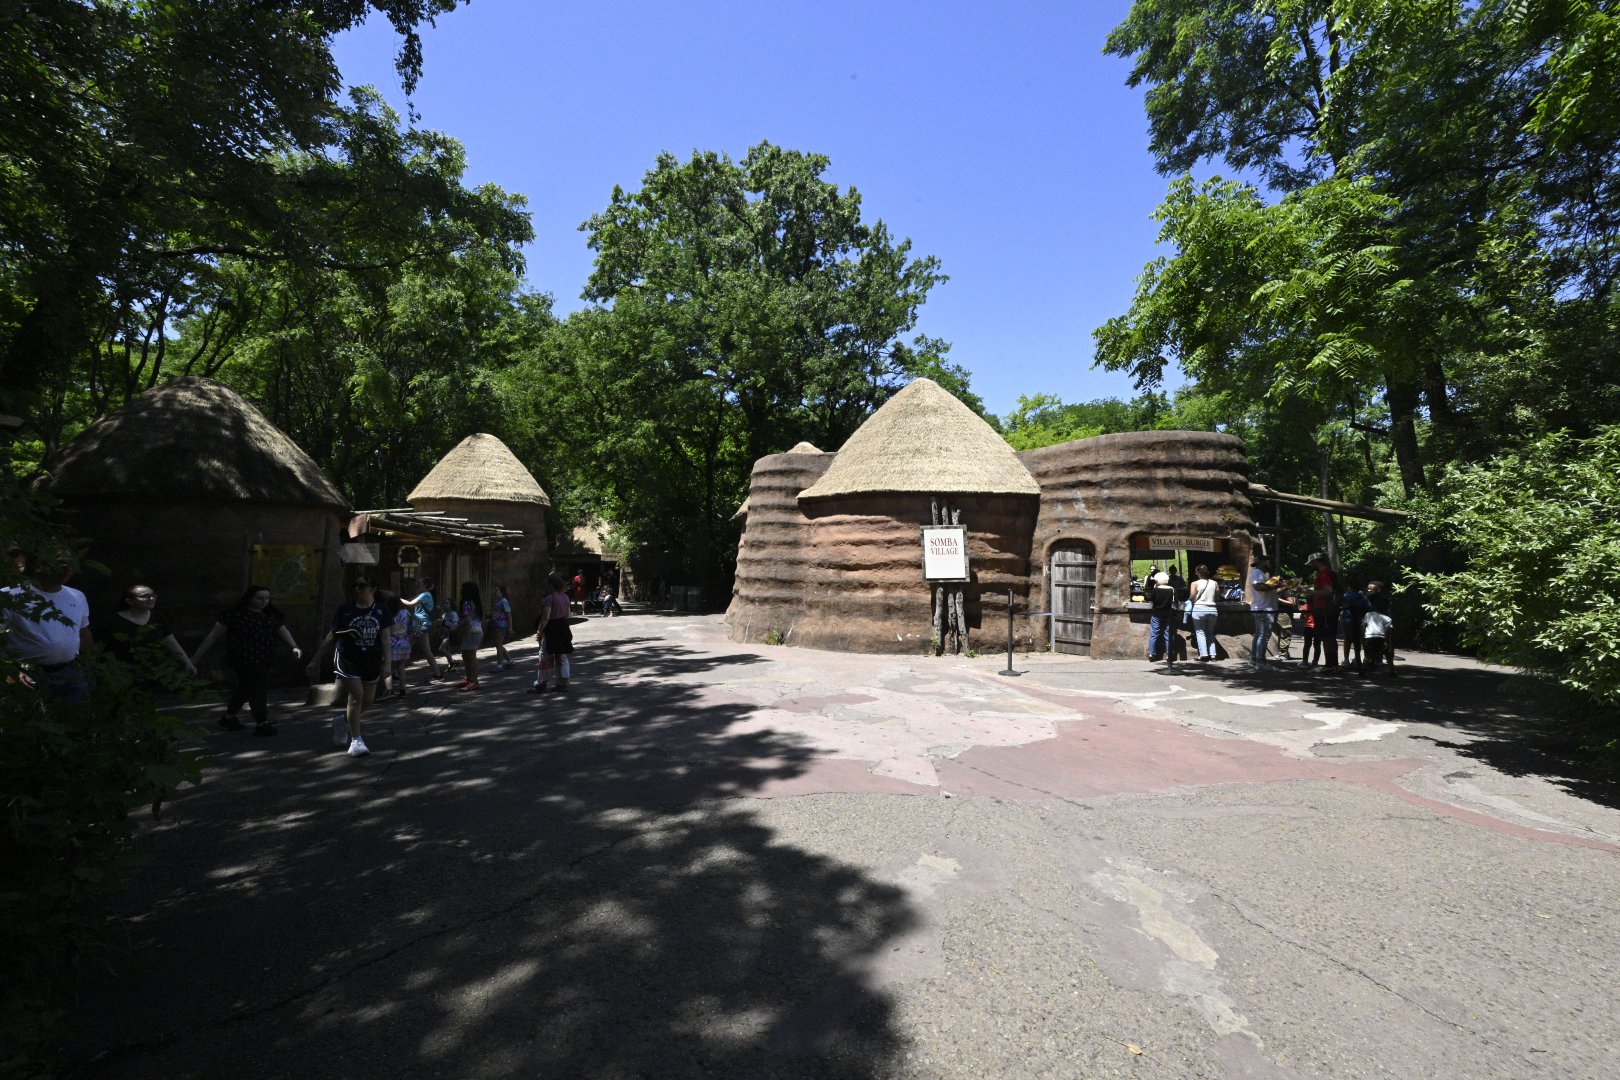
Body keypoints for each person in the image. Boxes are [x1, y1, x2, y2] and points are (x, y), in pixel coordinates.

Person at [193, 584, 302, 735]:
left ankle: (228, 717)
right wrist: (194, 659)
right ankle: (261, 722)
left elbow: (282, 630)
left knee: (246, 688)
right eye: (259, 598)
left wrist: (294, 646)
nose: (264, 602)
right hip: (243, 659)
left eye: (267, 598)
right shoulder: (235, 615)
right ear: (249, 598)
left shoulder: (271, 615)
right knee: (257, 688)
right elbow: (213, 636)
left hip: (264, 658)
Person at [308, 575, 389, 757]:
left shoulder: (381, 611)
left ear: (373, 588)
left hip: (372, 660)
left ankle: (342, 720)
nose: (357, 589)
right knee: (356, 696)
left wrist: (388, 663)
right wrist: (315, 659)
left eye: (362, 585)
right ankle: (356, 740)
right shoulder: (345, 610)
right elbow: (332, 636)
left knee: (368, 701)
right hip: (348, 659)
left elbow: (385, 637)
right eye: (355, 585)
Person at [1, 552, 93, 703]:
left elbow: (83, 632)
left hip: (70, 673)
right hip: (27, 675)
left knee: (76, 719)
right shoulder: (9, 596)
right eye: (61, 564)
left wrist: (90, 666)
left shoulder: (77, 596)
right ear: (38, 567)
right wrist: (10, 672)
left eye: (70, 564)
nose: (67, 569)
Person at [94, 583, 197, 690]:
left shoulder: (158, 618)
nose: (151, 598)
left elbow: (171, 641)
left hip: (156, 673)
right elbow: (98, 648)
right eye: (145, 596)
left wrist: (187, 663)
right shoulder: (112, 622)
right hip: (125, 675)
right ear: (129, 601)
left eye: (153, 595)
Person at [530, 574, 574, 693]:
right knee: (562, 656)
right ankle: (563, 682)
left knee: (544, 655)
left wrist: (539, 631)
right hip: (563, 627)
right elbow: (568, 615)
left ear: (551, 585)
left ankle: (541, 682)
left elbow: (545, 617)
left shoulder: (550, 598)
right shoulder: (565, 597)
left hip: (551, 628)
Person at [1304, 553, 1339, 669]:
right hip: (1327, 609)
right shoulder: (1325, 572)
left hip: (1325, 609)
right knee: (1329, 637)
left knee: (1327, 637)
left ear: (1316, 562)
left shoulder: (1324, 573)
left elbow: (1328, 591)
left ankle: (1330, 665)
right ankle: (1333, 664)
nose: (1311, 566)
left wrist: (1311, 592)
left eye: (1311, 564)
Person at [1247, 555, 1280, 669]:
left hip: (1263, 608)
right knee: (1263, 635)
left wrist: (1283, 586)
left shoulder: (1261, 574)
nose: (1270, 564)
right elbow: (1259, 587)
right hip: (1264, 609)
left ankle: (1254, 660)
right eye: (1269, 561)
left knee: (1259, 635)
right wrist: (1277, 584)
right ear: (1264, 562)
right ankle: (1260, 662)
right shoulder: (1257, 573)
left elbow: (1267, 590)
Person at [408, 579, 442, 682]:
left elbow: (410, 603)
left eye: (419, 583)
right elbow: (411, 601)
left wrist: (396, 599)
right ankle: (438, 674)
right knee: (425, 650)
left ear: (425, 585)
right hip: (420, 623)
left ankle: (396, 671)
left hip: (420, 624)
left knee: (405, 646)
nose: (417, 584)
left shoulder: (425, 595)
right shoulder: (422, 595)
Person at [1187, 564, 1222, 661]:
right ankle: (1213, 655)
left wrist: (1192, 600)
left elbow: (1193, 596)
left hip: (1199, 609)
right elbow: (1218, 596)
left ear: (1197, 573)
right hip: (1212, 610)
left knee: (1200, 632)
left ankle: (1203, 655)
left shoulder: (1194, 583)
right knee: (1210, 632)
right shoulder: (1214, 583)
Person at [454, 582, 485, 692]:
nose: (460, 590)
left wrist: (457, 629)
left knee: (471, 657)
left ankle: (474, 681)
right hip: (475, 631)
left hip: (472, 632)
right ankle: (469, 678)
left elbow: (467, 621)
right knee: (466, 655)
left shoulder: (466, 603)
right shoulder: (475, 602)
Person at [1338, 575, 1371, 672]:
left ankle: (1346, 660)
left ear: (1349, 587)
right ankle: (1358, 660)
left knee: (1347, 640)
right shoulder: (1362, 597)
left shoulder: (1345, 596)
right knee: (1357, 641)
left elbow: (1338, 603)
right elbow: (1368, 608)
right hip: (1359, 620)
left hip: (1347, 620)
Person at [1146, 571, 1176, 663]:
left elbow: (1149, 598)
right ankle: (1169, 655)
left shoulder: (1156, 589)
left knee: (1154, 634)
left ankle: (1152, 653)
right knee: (1168, 635)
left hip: (1156, 614)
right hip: (1168, 614)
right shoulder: (1172, 589)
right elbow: (1176, 601)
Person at [1362, 605, 1395, 678]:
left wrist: (1363, 637)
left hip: (1369, 636)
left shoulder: (1368, 615)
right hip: (1380, 637)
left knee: (1368, 655)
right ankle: (1391, 672)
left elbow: (1363, 626)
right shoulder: (1387, 618)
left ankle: (1363, 671)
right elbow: (1387, 631)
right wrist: (1386, 641)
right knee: (1388, 655)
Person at [489, 584, 514, 669]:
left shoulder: (504, 601)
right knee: (498, 644)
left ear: (501, 592)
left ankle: (499, 665)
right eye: (494, 590)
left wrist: (510, 627)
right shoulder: (497, 602)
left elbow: (509, 615)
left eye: (496, 590)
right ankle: (509, 660)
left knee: (498, 644)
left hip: (502, 626)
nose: (494, 592)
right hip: (496, 625)